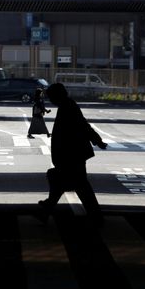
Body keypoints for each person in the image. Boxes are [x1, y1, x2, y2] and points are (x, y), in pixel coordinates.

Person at [38, 83, 107, 224]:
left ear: (58, 96)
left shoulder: (68, 107)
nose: (50, 100)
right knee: (73, 184)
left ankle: (48, 208)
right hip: (73, 154)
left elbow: (82, 125)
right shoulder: (67, 106)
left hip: (72, 155)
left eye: (51, 97)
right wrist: (96, 140)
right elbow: (83, 125)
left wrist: (97, 140)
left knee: (74, 184)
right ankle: (47, 209)